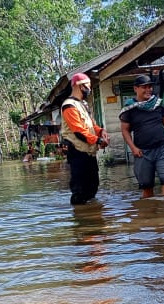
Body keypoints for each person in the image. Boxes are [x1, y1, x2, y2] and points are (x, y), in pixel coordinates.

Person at [119, 74, 164, 198]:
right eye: (145, 87)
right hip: (142, 153)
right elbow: (125, 130)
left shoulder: (157, 104)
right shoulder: (129, 108)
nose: (149, 90)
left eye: (150, 87)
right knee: (147, 186)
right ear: (136, 89)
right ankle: (149, 214)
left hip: (162, 150)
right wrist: (133, 148)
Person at [61, 72, 109, 205]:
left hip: (89, 152)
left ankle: (93, 218)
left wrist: (101, 132)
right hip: (77, 152)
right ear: (79, 86)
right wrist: (99, 140)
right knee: (80, 191)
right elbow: (79, 131)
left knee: (93, 187)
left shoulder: (83, 104)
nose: (89, 88)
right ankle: (81, 220)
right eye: (87, 85)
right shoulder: (69, 105)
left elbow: (91, 125)